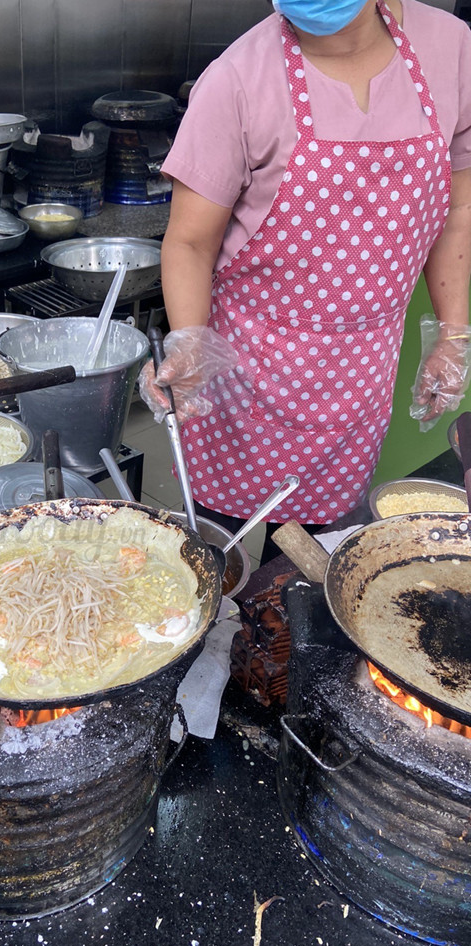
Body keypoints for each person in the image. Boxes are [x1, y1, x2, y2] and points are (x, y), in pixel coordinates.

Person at [140, 0, 471, 560]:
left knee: (321, 565)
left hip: (363, 371)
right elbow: (190, 242)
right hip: (247, 372)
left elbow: (458, 206)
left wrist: (453, 332)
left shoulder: (451, 47)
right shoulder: (237, 79)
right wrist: (190, 344)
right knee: (222, 556)